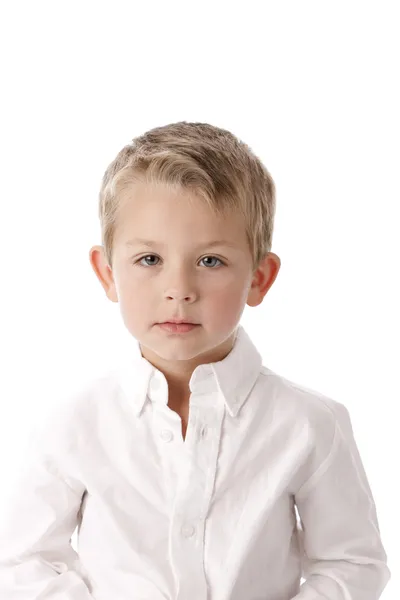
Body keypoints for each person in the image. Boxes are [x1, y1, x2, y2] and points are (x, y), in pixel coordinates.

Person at [0, 122, 391, 599]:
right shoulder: (71, 424)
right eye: (149, 259)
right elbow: (24, 560)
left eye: (210, 261)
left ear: (259, 278)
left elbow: (351, 563)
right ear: (107, 273)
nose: (179, 289)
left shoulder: (310, 425)